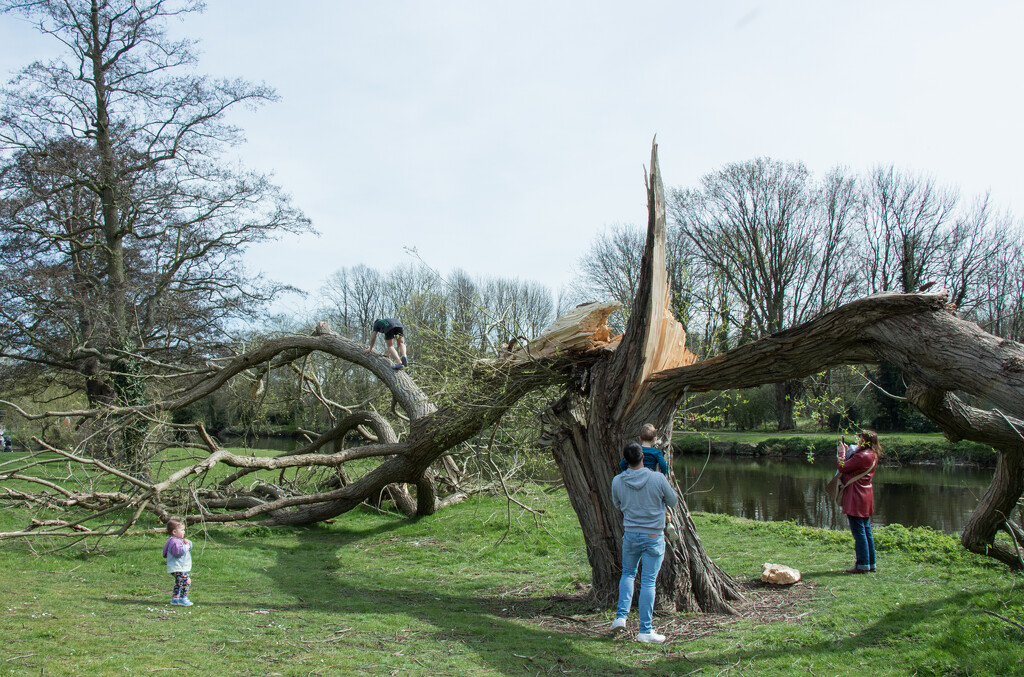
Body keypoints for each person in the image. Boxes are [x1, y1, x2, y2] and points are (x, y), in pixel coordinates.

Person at [610, 442, 678, 644]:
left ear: (626, 460)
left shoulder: (617, 481)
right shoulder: (657, 478)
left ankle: (621, 617)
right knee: (648, 581)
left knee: (628, 574)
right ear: (643, 457)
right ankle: (645, 630)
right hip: (653, 536)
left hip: (631, 534)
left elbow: (617, 504)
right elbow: (673, 501)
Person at [837, 430, 880, 574]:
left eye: (860, 438)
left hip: (856, 495)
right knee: (866, 530)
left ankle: (862, 565)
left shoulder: (862, 456)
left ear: (865, 440)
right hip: (865, 495)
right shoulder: (872, 454)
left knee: (859, 532)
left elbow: (842, 467)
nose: (859, 440)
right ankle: (870, 563)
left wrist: (842, 453)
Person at [163, 518, 195, 606]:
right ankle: (182, 598)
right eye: (182, 530)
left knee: (179, 582)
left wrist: (188, 544)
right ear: (174, 532)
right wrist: (186, 546)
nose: (184, 532)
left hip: (177, 566)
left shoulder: (176, 540)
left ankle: (175, 598)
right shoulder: (174, 542)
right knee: (186, 580)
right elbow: (178, 552)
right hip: (177, 567)